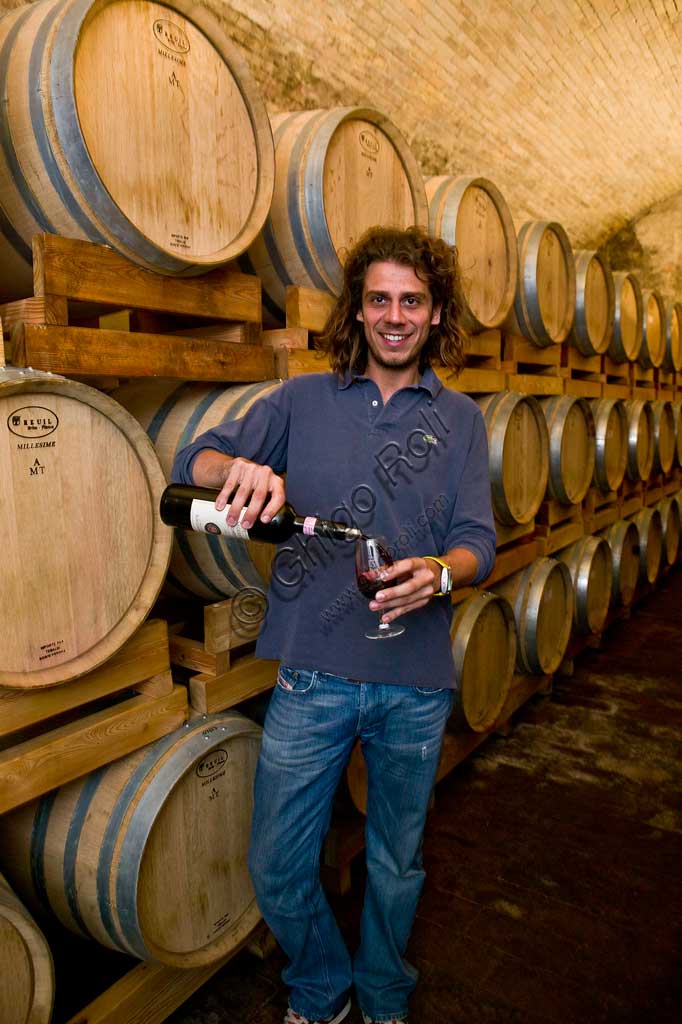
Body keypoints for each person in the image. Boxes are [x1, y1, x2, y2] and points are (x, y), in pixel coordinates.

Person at [172, 225, 496, 1024]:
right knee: (277, 865)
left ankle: (384, 992)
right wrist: (237, 468)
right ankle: (322, 986)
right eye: (379, 298)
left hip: (415, 681)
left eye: (412, 301)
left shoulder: (460, 420)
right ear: (356, 310)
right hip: (312, 672)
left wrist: (442, 572)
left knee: (395, 863)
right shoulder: (300, 399)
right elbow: (194, 462)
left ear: (434, 312)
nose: (394, 315)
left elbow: (479, 542)